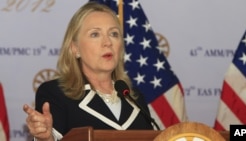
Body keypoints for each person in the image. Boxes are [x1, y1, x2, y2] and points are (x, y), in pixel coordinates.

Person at [23, 1, 153, 141]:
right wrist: (45, 138)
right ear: (75, 48)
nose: (107, 42)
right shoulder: (55, 94)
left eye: (114, 34)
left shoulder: (135, 98)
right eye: (95, 34)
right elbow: (52, 136)